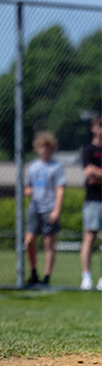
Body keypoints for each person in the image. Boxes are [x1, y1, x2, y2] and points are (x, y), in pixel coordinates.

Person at [24, 131, 65, 287]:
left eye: (47, 147)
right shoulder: (33, 166)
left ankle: (46, 277)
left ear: (52, 148)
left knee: (49, 244)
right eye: (41, 147)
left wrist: (56, 210)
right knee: (29, 240)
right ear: (37, 148)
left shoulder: (57, 167)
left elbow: (60, 189)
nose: (44, 150)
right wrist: (28, 191)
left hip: (49, 208)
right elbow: (27, 186)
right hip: (34, 208)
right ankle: (33, 272)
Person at [80, 114, 102, 291]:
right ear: (93, 128)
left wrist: (97, 174)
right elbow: (89, 173)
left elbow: (95, 174)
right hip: (92, 200)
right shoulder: (88, 150)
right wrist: (94, 173)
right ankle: (86, 277)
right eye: (99, 125)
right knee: (89, 237)